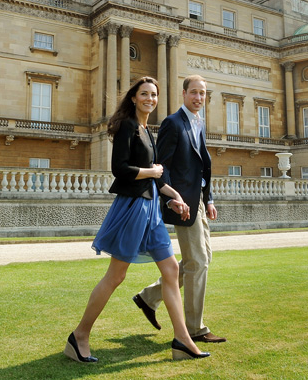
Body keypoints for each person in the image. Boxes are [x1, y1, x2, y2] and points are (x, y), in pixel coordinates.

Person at [63, 77, 210, 363]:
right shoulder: (128, 126)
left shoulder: (147, 130)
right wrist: (152, 173)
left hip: (152, 207)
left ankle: (182, 339)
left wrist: (173, 197)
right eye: (144, 94)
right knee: (116, 275)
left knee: (170, 270)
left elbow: (155, 177)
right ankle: (79, 336)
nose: (150, 99)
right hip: (133, 208)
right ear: (133, 97)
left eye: (154, 95)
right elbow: (120, 169)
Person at [133, 75, 226, 344]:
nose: (199, 98)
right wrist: (172, 198)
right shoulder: (173, 123)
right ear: (184, 94)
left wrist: (209, 199)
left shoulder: (199, 123)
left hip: (198, 200)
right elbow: (163, 167)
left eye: (203, 94)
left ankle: (148, 297)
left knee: (200, 259)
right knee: (198, 262)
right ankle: (195, 329)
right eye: (194, 93)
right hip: (182, 203)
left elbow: (201, 167)